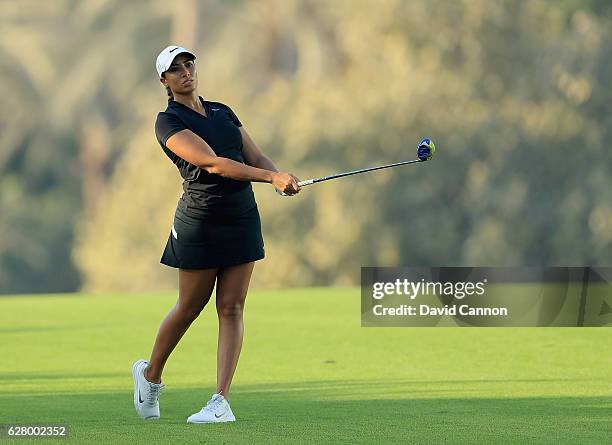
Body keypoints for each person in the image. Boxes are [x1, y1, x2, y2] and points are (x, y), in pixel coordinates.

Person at [132, 45, 300, 423]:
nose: (185, 72)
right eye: (175, 69)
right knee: (191, 306)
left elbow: (254, 156)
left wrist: (279, 177)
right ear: (164, 81)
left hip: (241, 218)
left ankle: (220, 400)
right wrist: (271, 178)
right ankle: (150, 376)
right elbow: (214, 164)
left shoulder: (223, 111)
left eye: (188, 64)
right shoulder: (168, 122)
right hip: (200, 223)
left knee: (232, 307)